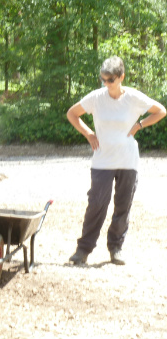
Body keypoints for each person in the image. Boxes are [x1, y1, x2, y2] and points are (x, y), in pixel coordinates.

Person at [66, 56, 165, 266]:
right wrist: (89, 134)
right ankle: (83, 250)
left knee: (122, 206)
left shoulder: (134, 98)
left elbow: (161, 111)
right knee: (96, 205)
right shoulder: (96, 97)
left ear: (122, 77)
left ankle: (116, 248)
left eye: (110, 79)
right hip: (102, 160)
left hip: (128, 161)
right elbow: (72, 114)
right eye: (103, 79)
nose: (106, 83)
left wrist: (139, 125)